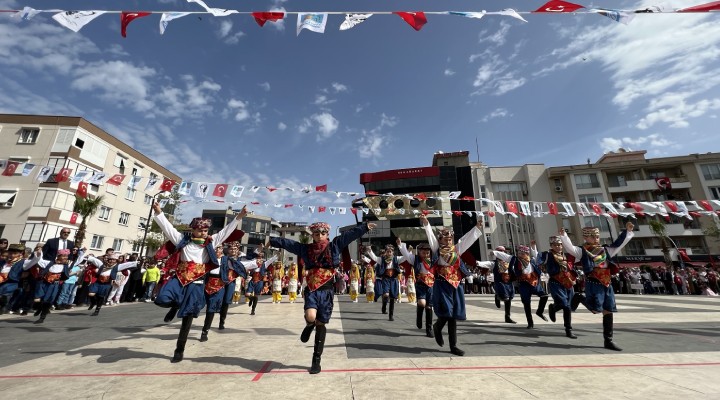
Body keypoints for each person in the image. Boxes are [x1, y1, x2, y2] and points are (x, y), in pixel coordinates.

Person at [270, 220, 374, 374]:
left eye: (323, 233)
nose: (320, 236)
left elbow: (349, 236)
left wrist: (364, 227)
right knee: (311, 316)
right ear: (313, 235)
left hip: (327, 291)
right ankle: (309, 325)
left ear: (327, 234)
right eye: (316, 234)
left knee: (321, 323)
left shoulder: (334, 245)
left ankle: (316, 359)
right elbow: (289, 243)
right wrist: (272, 240)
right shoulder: (306, 249)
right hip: (312, 289)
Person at [152, 202, 246, 363]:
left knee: (188, 316)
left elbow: (225, 231)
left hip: (196, 283)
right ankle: (176, 305)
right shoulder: (182, 240)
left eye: (206, 230)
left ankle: (179, 350)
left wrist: (239, 217)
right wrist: (159, 212)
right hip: (179, 279)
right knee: (161, 299)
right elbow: (168, 228)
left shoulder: (211, 242)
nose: (204, 233)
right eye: (201, 230)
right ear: (193, 230)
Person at [560, 223, 634, 351]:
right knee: (595, 310)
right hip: (593, 283)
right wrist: (564, 236)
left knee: (608, 310)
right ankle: (579, 297)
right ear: (586, 238)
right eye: (593, 236)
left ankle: (608, 341)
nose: (596, 239)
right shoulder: (582, 251)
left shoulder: (605, 250)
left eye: (597, 236)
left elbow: (619, 244)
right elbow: (570, 248)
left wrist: (627, 231)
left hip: (607, 283)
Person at [420, 215, 483, 356]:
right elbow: (430, 236)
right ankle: (437, 327)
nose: (448, 241)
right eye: (445, 239)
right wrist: (426, 223)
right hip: (442, 284)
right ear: (440, 240)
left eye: (450, 239)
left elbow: (467, 240)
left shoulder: (456, 249)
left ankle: (453, 346)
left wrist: (477, 227)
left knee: (453, 315)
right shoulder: (437, 248)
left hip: (456, 284)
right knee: (447, 312)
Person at [201, 243, 274, 341]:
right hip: (217, 282)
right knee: (213, 303)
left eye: (235, 249)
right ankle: (207, 326)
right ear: (227, 250)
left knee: (226, 301)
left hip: (230, 282)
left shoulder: (239, 259)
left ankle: (221, 321)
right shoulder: (222, 258)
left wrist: (257, 253)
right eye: (231, 249)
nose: (233, 250)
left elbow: (248, 259)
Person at [494, 243, 548, 329]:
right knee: (526, 303)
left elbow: (537, 256)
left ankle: (539, 312)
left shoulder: (532, 260)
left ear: (527, 254)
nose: (520, 255)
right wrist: (495, 252)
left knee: (544, 296)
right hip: (523, 284)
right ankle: (530, 323)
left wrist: (533, 247)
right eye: (519, 253)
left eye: (522, 253)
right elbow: (506, 257)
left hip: (534, 283)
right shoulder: (516, 260)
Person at [535, 236, 579, 339]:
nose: (558, 247)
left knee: (568, 307)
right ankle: (567, 327)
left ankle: (567, 328)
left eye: (559, 245)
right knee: (564, 304)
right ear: (551, 246)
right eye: (555, 245)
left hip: (568, 283)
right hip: (556, 282)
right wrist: (534, 249)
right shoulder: (548, 255)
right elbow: (538, 260)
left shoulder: (567, 255)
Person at [33, 248, 85, 323]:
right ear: (58, 256)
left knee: (48, 301)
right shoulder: (50, 263)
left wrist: (81, 253)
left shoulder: (66, 265)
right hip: (45, 284)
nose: (65, 258)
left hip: (54, 285)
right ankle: (39, 308)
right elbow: (39, 261)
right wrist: (39, 252)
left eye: (66, 256)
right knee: (39, 299)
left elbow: (77, 261)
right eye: (63, 256)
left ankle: (42, 317)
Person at [399, 240, 435, 337]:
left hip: (431, 285)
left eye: (427, 253)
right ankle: (419, 317)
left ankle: (429, 328)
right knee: (422, 303)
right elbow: (406, 255)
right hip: (420, 284)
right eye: (423, 252)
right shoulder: (415, 259)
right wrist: (400, 245)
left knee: (429, 306)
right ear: (419, 252)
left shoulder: (433, 259)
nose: (425, 255)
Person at [366, 244, 405, 321]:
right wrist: (369, 250)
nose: (389, 253)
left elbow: (405, 257)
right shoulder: (382, 259)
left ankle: (391, 315)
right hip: (386, 278)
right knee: (386, 294)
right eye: (387, 251)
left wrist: (408, 251)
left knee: (392, 297)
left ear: (393, 252)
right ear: (386, 252)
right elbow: (374, 258)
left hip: (394, 279)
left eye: (390, 252)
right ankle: (384, 306)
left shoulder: (396, 259)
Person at [0, 244, 41, 314]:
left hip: (13, 282)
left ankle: (4, 307)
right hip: (2, 281)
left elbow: (34, 260)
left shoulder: (23, 262)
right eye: (10, 253)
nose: (11, 255)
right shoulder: (4, 261)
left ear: (21, 253)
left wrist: (38, 254)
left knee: (5, 291)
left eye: (14, 253)